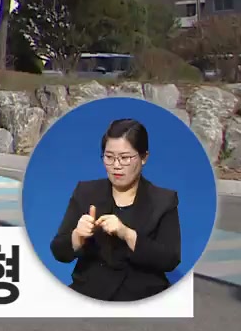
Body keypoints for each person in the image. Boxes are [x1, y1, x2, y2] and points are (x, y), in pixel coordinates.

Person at [49, 118, 182, 301]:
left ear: (144, 157)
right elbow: (58, 251)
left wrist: (127, 234)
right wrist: (77, 236)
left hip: (143, 299)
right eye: (109, 157)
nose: (116, 165)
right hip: (89, 294)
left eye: (125, 158)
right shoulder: (86, 192)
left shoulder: (163, 200)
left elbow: (170, 259)